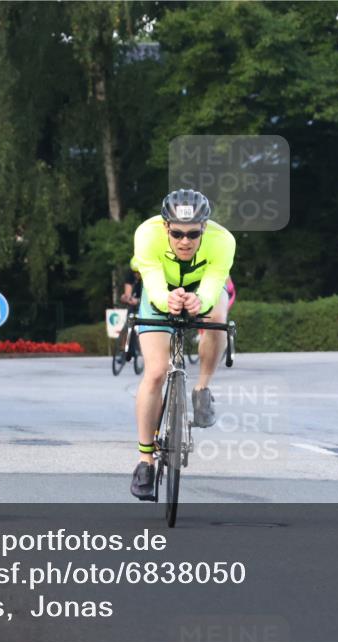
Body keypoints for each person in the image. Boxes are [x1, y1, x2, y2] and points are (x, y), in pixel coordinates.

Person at [129, 189, 235, 500]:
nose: (185, 241)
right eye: (176, 233)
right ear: (165, 228)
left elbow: (215, 283)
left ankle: (202, 388)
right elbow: (152, 282)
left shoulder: (223, 240)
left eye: (192, 234)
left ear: (205, 227)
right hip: (160, 290)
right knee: (157, 371)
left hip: (202, 288)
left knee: (218, 317)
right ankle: (145, 461)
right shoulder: (147, 235)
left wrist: (199, 300)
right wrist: (168, 299)